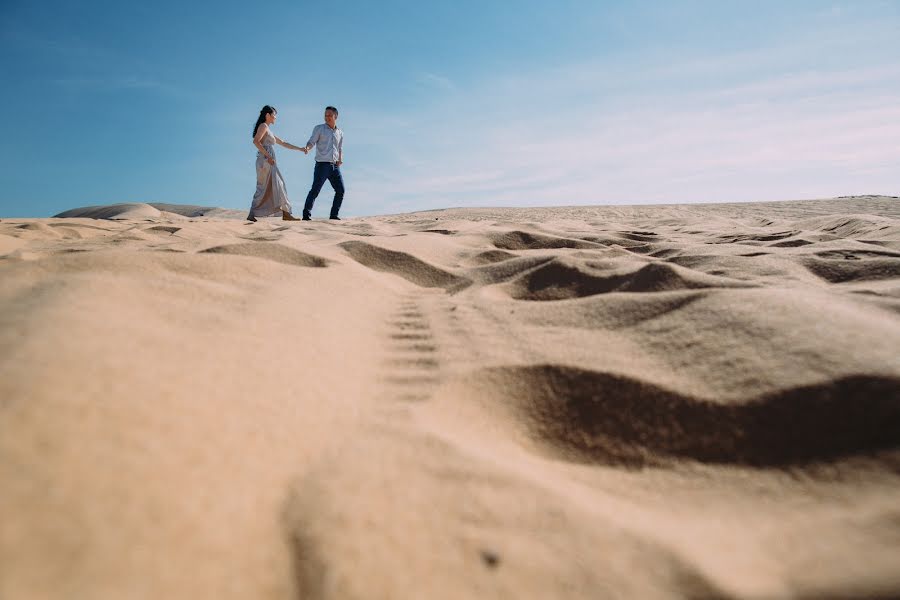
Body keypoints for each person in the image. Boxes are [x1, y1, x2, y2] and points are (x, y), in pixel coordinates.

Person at [247, 105, 307, 222]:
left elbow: (283, 143)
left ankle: (285, 213)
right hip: (265, 161)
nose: (275, 118)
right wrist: (268, 156)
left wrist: (300, 149)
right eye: (274, 115)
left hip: (269, 161)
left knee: (275, 186)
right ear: (267, 115)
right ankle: (254, 213)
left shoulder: (268, 129)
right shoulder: (263, 126)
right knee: (266, 187)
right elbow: (256, 141)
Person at [301, 106, 344, 220]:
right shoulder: (319, 128)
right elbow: (311, 141)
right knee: (315, 190)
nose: (327, 117)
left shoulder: (340, 132)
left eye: (330, 115)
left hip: (335, 166)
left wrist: (340, 159)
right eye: (325, 115)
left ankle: (334, 215)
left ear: (336, 116)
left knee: (341, 190)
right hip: (322, 165)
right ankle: (306, 215)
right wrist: (307, 148)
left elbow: (340, 148)